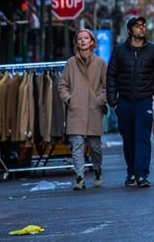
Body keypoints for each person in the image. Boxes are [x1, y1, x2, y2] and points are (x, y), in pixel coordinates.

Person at [107, 16, 154, 188]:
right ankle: (131, 173)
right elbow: (111, 76)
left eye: (143, 26)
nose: (142, 28)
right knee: (128, 139)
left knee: (142, 137)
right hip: (125, 102)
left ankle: (142, 174)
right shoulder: (119, 51)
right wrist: (113, 101)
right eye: (137, 26)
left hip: (144, 100)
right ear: (130, 30)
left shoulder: (153, 50)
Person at [58, 29, 107, 190]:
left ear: (92, 42)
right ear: (77, 42)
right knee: (77, 145)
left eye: (86, 38)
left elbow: (109, 86)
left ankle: (97, 171)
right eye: (80, 39)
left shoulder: (100, 63)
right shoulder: (71, 63)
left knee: (95, 146)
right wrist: (69, 99)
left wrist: (100, 100)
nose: (83, 41)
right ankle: (79, 177)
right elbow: (62, 85)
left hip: (94, 110)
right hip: (76, 110)